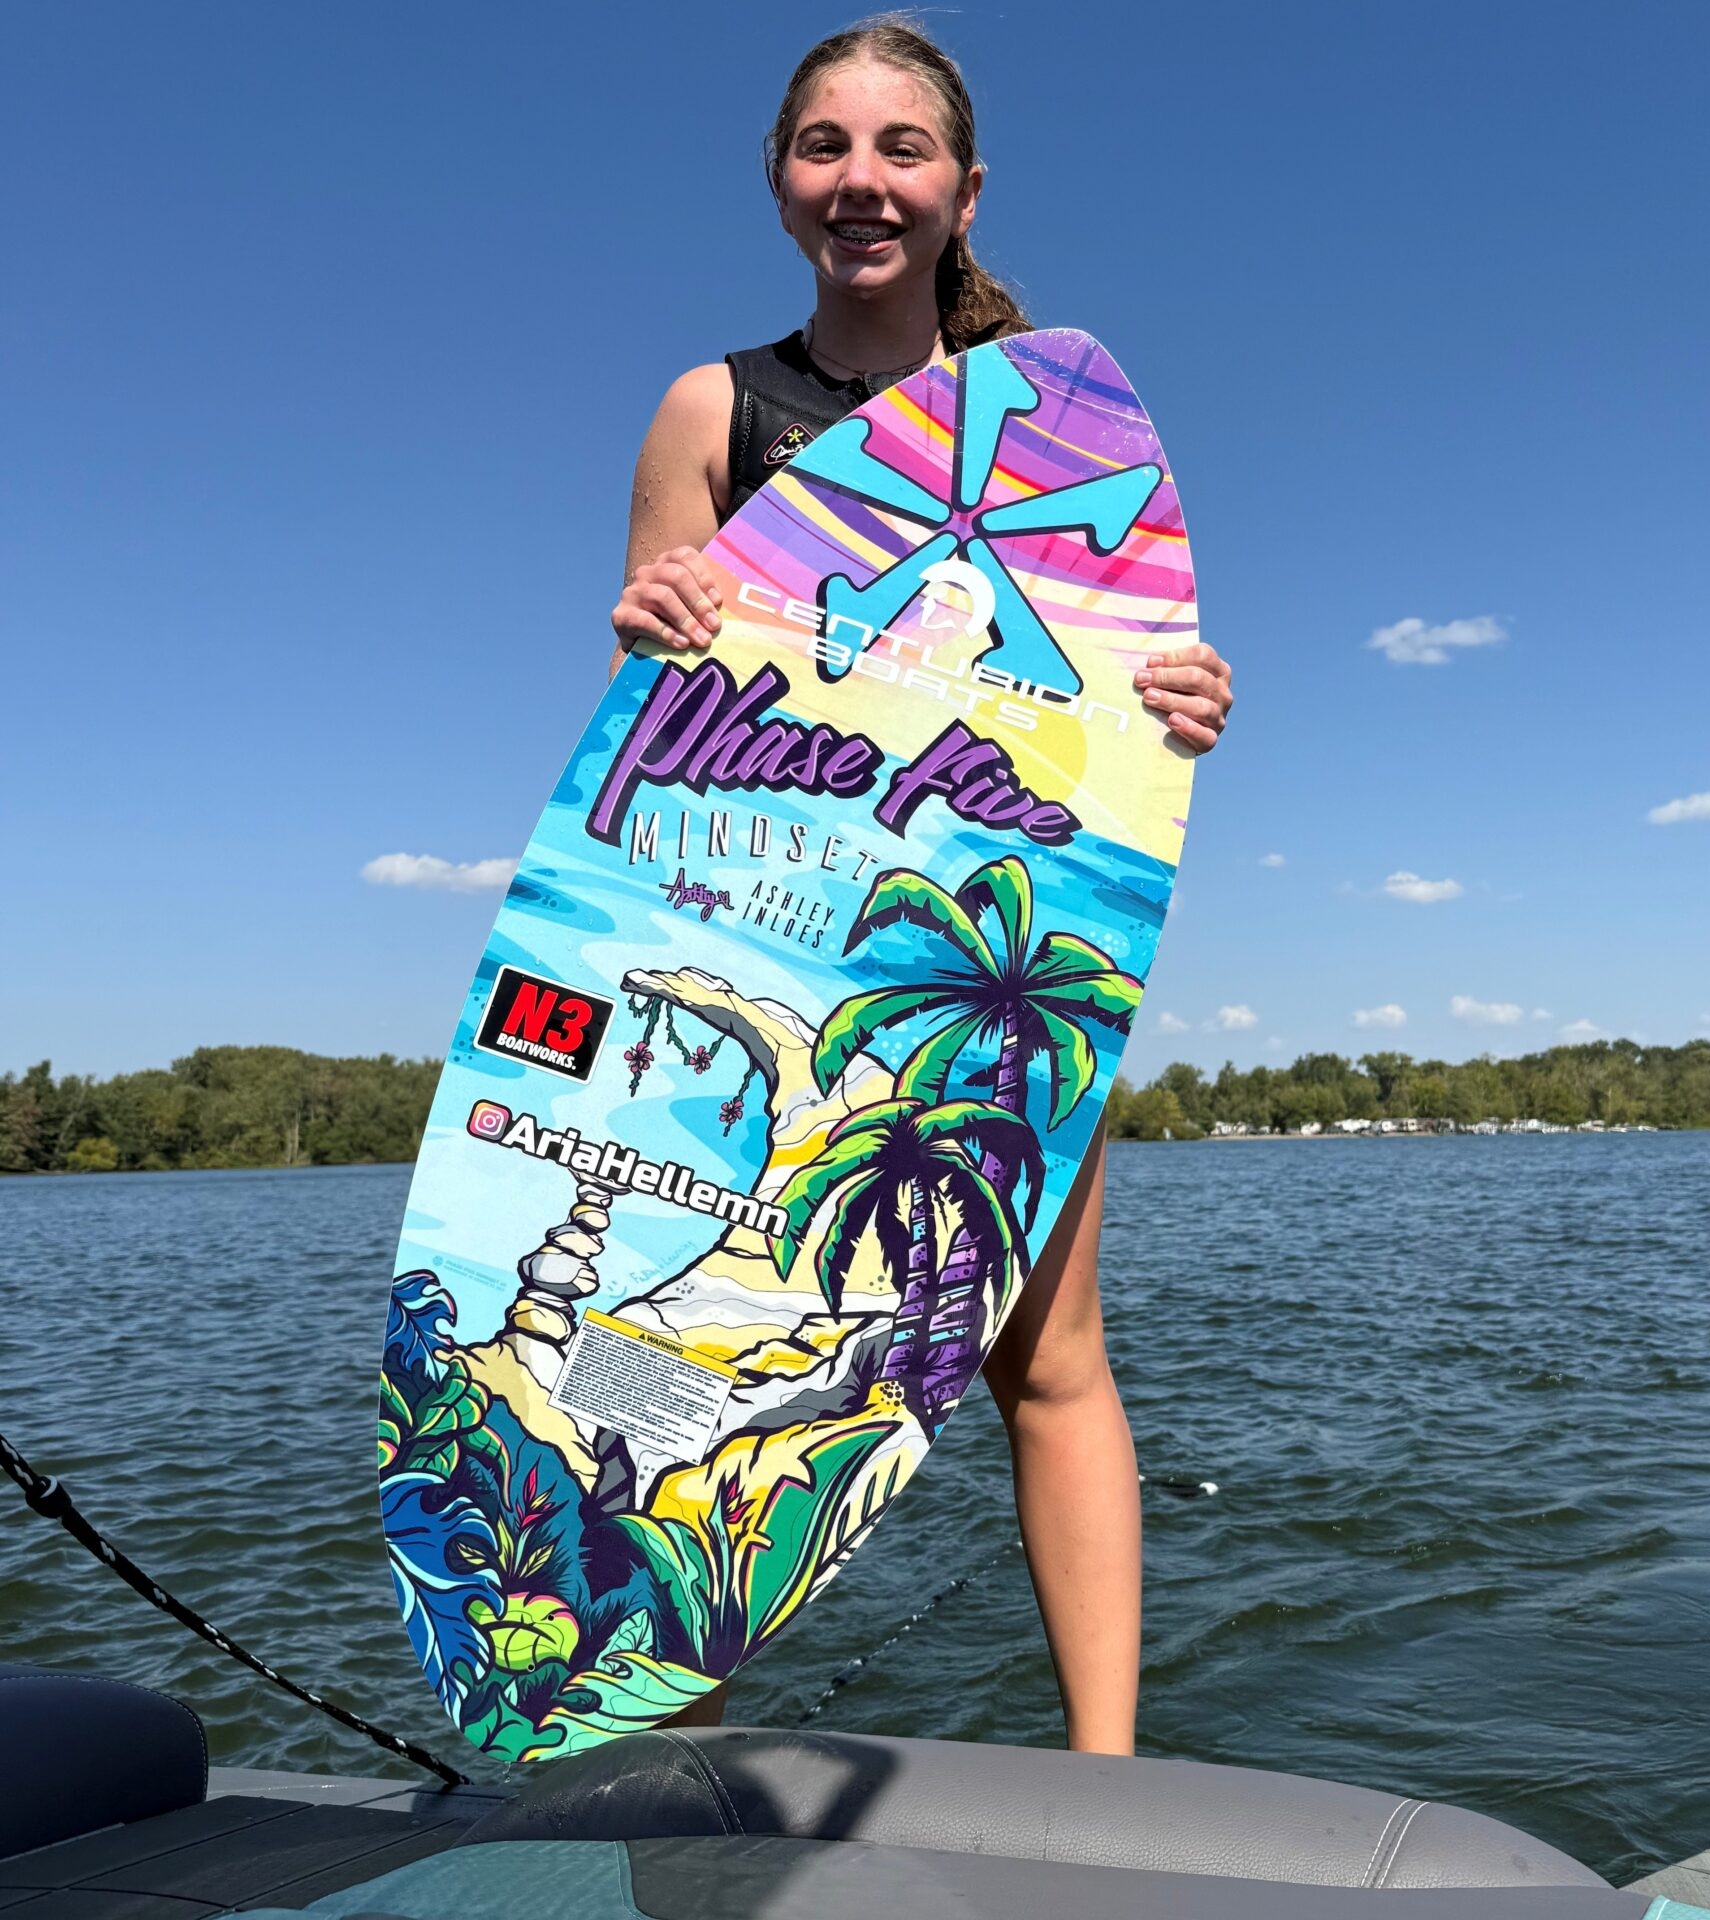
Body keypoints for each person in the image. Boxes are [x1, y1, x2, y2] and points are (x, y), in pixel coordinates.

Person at [608, 16, 1234, 1757]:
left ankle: (1107, 1782)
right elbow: (648, 711)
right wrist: (648, 624)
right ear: (779, 180)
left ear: (963, 189)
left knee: (1048, 1353)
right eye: (825, 146)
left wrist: (1191, 699)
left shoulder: (1064, 433)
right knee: (698, 1355)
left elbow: (1128, 706)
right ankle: (663, 1756)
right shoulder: (714, 407)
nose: (862, 182)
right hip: (765, 945)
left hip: (998, 951)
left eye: (900, 149)